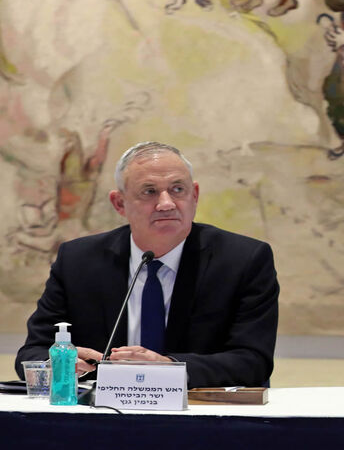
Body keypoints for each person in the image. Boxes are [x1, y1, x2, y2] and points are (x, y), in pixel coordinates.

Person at [14, 142, 279, 388]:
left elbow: (253, 362)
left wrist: (169, 367)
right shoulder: (78, 260)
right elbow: (33, 352)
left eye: (178, 189)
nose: (166, 204)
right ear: (119, 203)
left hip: (202, 418)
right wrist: (59, 363)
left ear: (194, 195)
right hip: (102, 418)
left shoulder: (244, 260)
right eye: (149, 192)